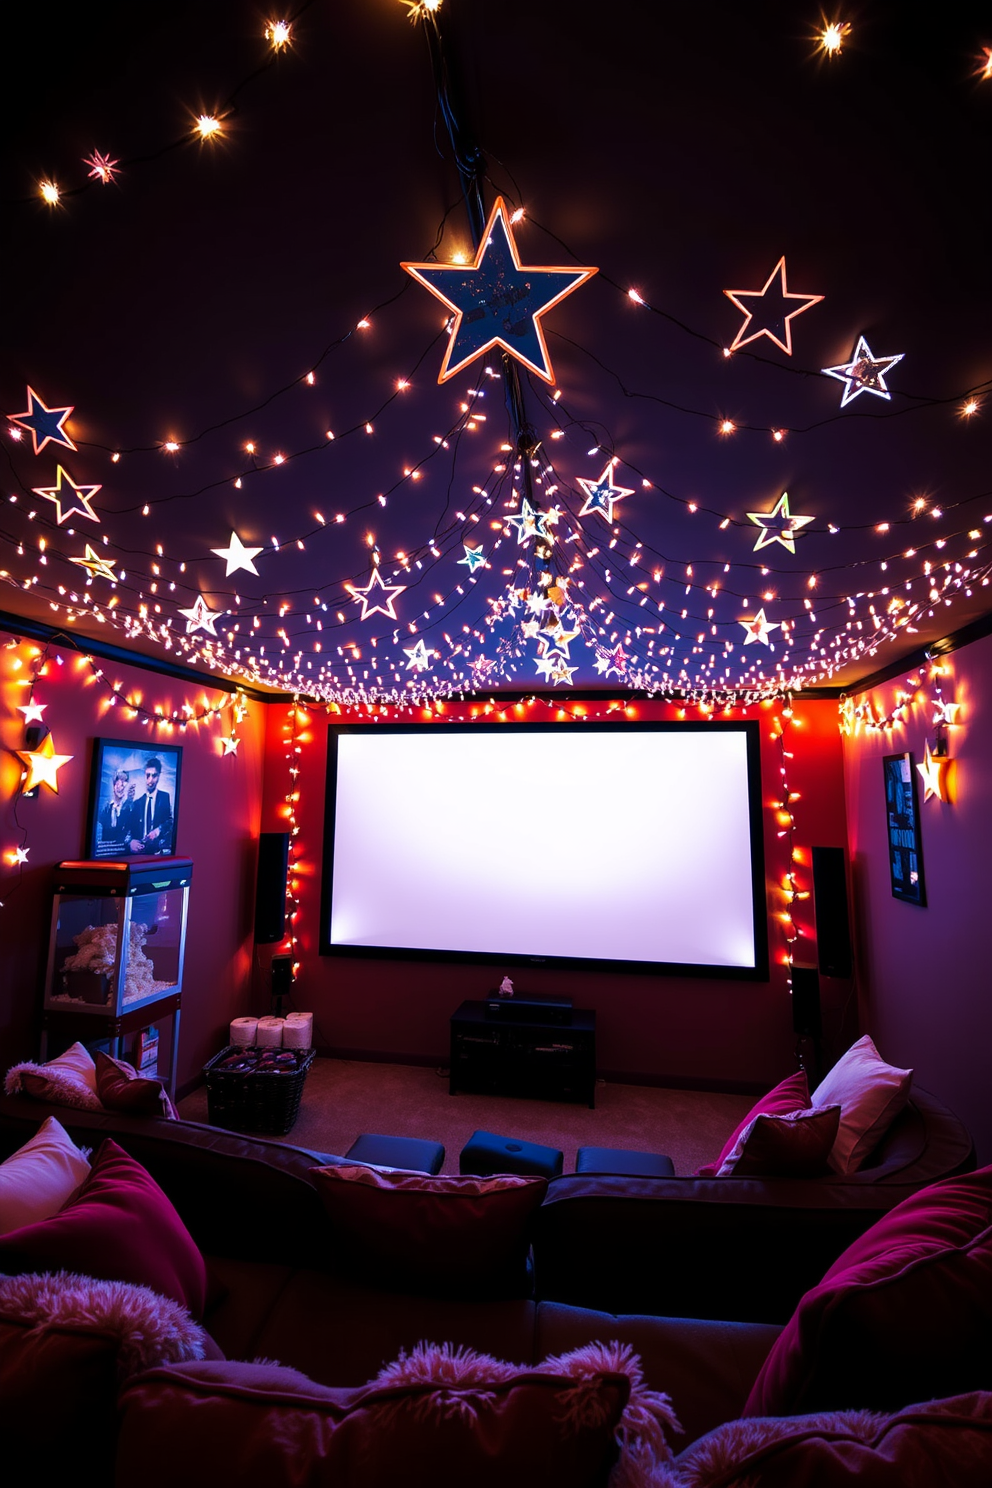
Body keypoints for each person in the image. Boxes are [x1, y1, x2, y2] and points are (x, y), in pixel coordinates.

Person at [129, 756, 173, 855]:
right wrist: (131, 842)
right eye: (148, 775)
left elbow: (170, 822)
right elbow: (129, 829)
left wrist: (158, 831)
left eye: (154, 776)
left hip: (158, 853)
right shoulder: (137, 803)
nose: (150, 780)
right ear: (144, 775)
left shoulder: (165, 797)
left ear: (159, 776)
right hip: (139, 854)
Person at [97, 768, 134, 856]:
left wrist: (128, 803)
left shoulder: (130, 808)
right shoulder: (105, 809)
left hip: (123, 854)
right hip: (104, 854)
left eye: (124, 782)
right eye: (118, 781)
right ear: (114, 785)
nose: (120, 786)